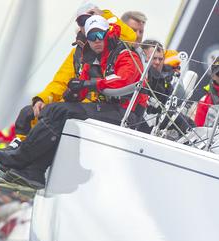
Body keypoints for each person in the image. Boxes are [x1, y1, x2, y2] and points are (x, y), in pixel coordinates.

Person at [0, 15, 147, 189]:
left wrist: (89, 84)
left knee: (60, 112)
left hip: (126, 113)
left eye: (100, 35)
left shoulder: (125, 54)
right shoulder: (91, 57)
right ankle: (34, 171)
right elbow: (79, 86)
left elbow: (122, 80)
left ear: (107, 33)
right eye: (92, 37)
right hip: (107, 108)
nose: (96, 41)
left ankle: (19, 158)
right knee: (52, 111)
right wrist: (73, 93)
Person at [11, 8, 137, 146]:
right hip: (81, 101)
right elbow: (61, 81)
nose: (87, 23)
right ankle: (21, 149)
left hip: (103, 104)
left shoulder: (113, 46)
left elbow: (130, 37)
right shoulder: (77, 54)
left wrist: (104, 14)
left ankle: (27, 155)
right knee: (29, 113)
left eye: (91, 19)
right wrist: (42, 99)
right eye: (82, 21)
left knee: (56, 112)